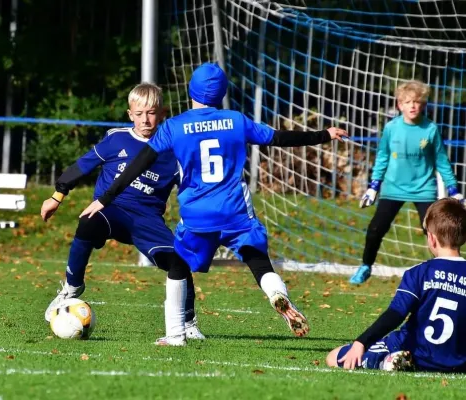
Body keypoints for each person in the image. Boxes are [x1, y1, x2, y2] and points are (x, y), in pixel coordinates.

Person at [79, 63, 348, 346]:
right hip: (235, 210)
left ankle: (175, 335)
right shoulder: (236, 120)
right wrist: (324, 134)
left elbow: (137, 165)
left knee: (178, 266)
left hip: (198, 212)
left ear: (191, 90)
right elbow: (280, 138)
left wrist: (104, 199)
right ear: (221, 94)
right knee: (258, 260)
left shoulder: (174, 126)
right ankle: (276, 295)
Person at [40, 83, 205, 340]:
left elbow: (191, 191)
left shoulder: (175, 153)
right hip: (110, 210)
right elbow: (83, 165)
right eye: (139, 114)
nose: (145, 119)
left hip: (146, 220)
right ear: (130, 114)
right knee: (87, 222)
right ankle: (72, 288)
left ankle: (188, 323)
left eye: (151, 113)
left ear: (162, 114)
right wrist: (57, 195)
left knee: (178, 261)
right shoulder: (116, 138)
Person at [328, 198, 466, 372]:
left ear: (431, 238)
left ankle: (384, 362)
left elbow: (396, 313)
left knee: (333, 357)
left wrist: (361, 342)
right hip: (457, 360)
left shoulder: (420, 272)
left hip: (415, 353)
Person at [351, 80, 464, 284]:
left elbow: (441, 160)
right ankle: (366, 266)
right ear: (399, 105)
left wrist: (453, 188)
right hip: (393, 188)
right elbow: (382, 157)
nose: (412, 105)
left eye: (417, 101)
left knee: (436, 231)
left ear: (423, 104)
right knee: (376, 228)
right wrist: (373, 186)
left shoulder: (430, 129)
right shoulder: (391, 128)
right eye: (408, 101)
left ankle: (445, 272)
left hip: (423, 189)